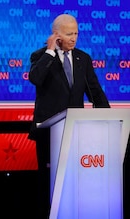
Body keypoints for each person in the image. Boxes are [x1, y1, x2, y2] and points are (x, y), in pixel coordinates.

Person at [28, 14, 110, 218]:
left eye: (76, 33)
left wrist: (109, 120)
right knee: (48, 184)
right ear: (56, 35)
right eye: (68, 34)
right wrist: (50, 51)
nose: (73, 38)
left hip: (76, 133)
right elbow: (35, 79)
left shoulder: (83, 59)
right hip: (49, 134)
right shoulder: (40, 56)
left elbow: (95, 92)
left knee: (74, 183)